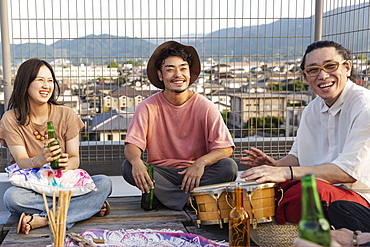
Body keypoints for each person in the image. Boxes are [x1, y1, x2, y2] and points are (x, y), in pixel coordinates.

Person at [239, 40, 370, 224]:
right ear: (305, 76)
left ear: (347, 67)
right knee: (257, 186)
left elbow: (348, 172)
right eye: (313, 70)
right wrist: (275, 167)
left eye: (330, 66)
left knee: (308, 192)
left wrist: (286, 173)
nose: (323, 75)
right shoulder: (312, 108)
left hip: (360, 199)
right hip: (327, 188)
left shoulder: (364, 106)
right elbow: (298, 157)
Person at [121, 41, 238, 211]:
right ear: (160, 76)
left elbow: (226, 148)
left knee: (229, 167)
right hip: (162, 172)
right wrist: (136, 161)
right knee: (128, 166)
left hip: (195, 174)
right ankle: (192, 201)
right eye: (170, 69)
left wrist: (201, 163)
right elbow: (132, 146)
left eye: (183, 68)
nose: (178, 74)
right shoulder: (147, 107)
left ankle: (162, 197)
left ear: (189, 73)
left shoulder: (205, 107)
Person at [0, 58, 112, 234]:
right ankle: (86, 208)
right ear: (25, 83)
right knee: (12, 198)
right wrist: (40, 160)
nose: (46, 86)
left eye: (50, 80)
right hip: (35, 187)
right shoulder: (11, 119)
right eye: (40, 80)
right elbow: (21, 161)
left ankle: (44, 219)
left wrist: (67, 163)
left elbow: (75, 159)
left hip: (64, 183)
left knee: (104, 183)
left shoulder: (66, 114)